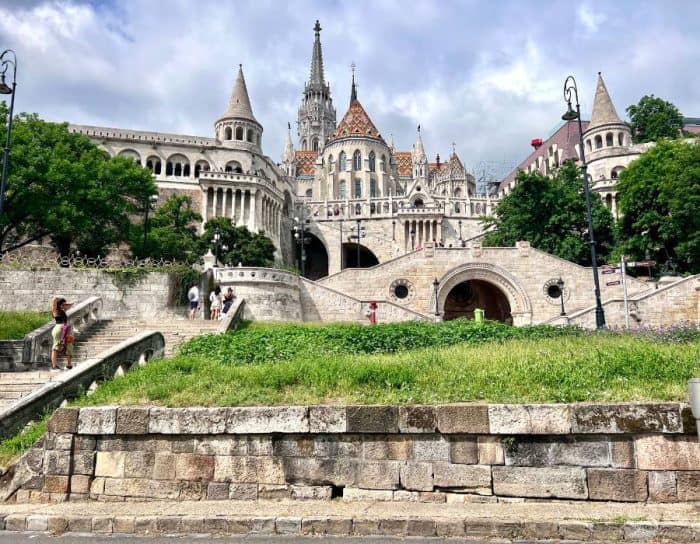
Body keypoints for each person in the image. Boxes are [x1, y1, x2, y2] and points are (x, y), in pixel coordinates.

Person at [50, 297, 74, 371]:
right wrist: (56, 298)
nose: (65, 305)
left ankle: (69, 365)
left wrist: (66, 303)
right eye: (63, 304)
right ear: (59, 304)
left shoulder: (63, 311)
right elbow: (53, 302)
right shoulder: (55, 311)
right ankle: (54, 366)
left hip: (66, 329)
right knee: (56, 346)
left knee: (69, 346)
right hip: (59, 328)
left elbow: (70, 305)